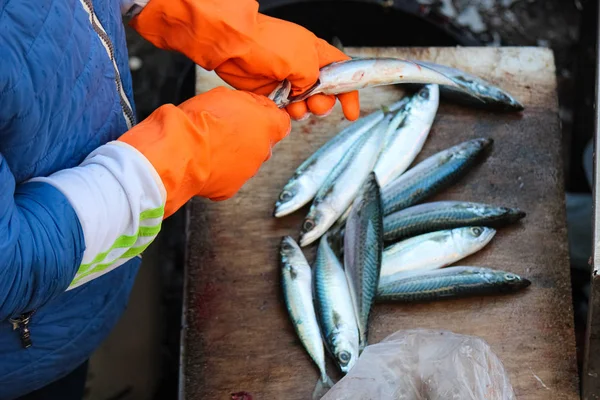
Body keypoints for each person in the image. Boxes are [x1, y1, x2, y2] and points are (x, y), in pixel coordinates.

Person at [0, 0, 360, 398]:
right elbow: (7, 267)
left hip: (73, 306)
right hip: (21, 354)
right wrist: (167, 166)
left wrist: (180, 9)